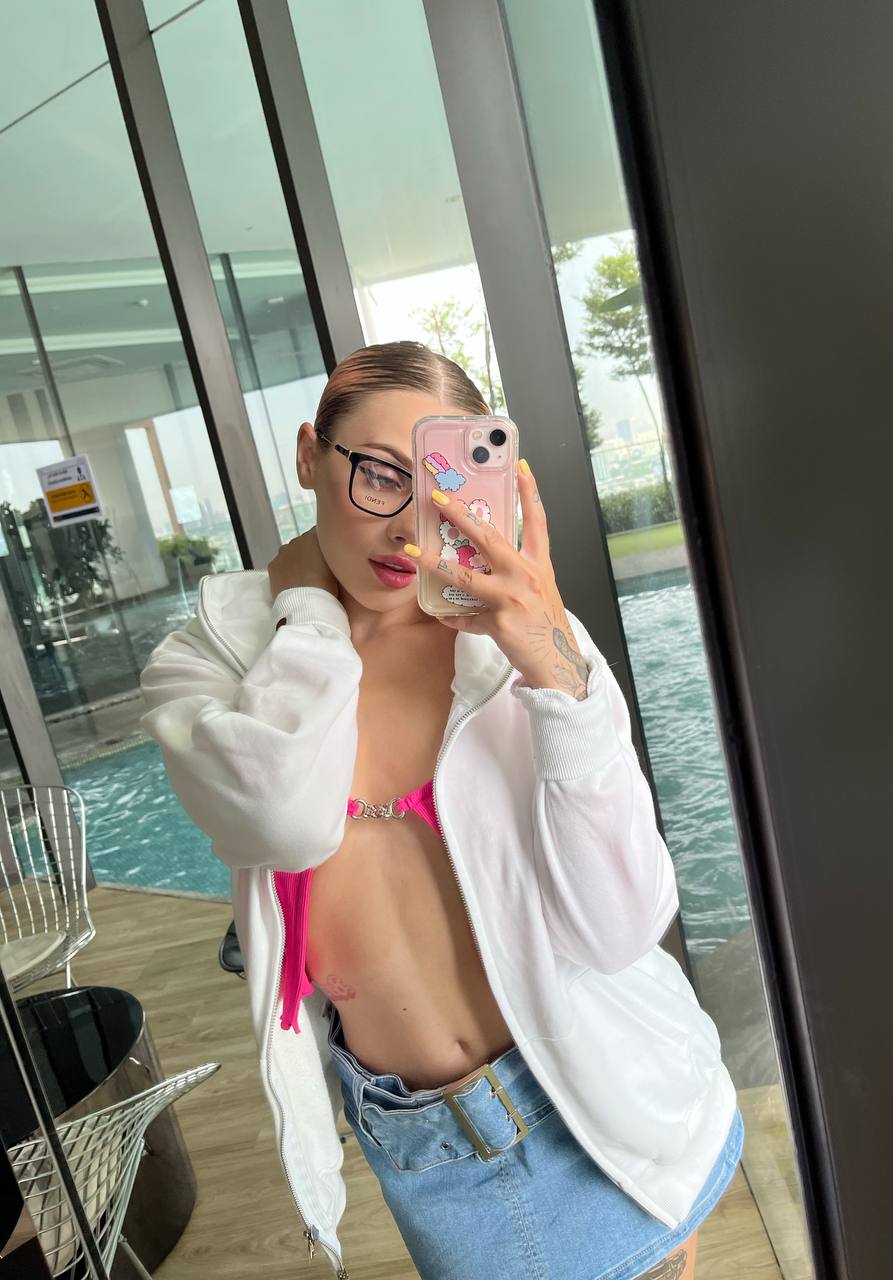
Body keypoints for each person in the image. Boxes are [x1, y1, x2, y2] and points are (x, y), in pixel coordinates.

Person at [139, 340, 743, 1280]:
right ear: (309, 455)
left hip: (613, 1102)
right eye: (380, 475)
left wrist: (552, 664)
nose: (409, 529)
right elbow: (283, 819)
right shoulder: (205, 667)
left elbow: (623, 927)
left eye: (444, 486)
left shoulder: (516, 644)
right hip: (432, 1155)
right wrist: (308, 612)